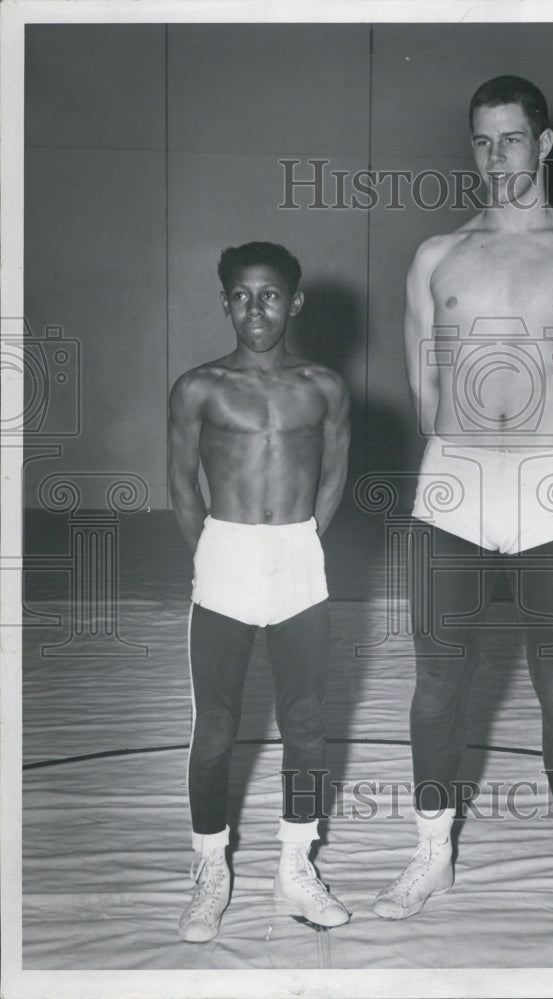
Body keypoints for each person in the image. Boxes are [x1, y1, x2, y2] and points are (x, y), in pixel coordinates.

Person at [372, 76, 553, 930]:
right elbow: (423, 377)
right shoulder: (434, 255)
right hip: (452, 488)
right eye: (483, 142)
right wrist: (458, 453)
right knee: (436, 683)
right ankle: (430, 854)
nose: (497, 159)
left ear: (546, 144)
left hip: (550, 490)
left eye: (513, 140)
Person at [168, 241, 351, 942]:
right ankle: (210, 866)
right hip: (226, 554)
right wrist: (217, 552)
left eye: (269, 294)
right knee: (215, 727)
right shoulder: (199, 387)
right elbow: (182, 484)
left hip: (299, 555)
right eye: (240, 295)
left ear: (295, 301)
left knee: (305, 722)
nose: (255, 308)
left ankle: (296, 868)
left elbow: (334, 475)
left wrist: (300, 543)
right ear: (224, 302)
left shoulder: (324, 387)